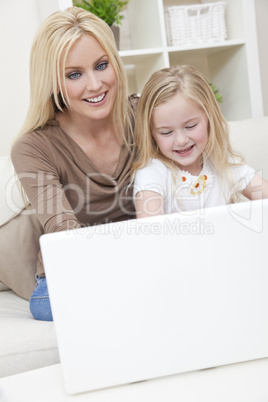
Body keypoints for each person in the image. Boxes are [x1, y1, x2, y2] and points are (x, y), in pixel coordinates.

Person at [11, 6, 139, 321]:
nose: (95, 85)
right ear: (52, 82)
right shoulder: (33, 146)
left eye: (101, 65)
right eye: (74, 74)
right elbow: (66, 237)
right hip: (67, 270)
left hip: (140, 257)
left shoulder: (146, 116)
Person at [132, 65, 268, 218]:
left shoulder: (222, 161)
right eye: (166, 132)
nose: (181, 140)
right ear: (151, 133)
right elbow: (151, 233)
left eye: (190, 126)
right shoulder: (153, 172)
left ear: (209, 119)